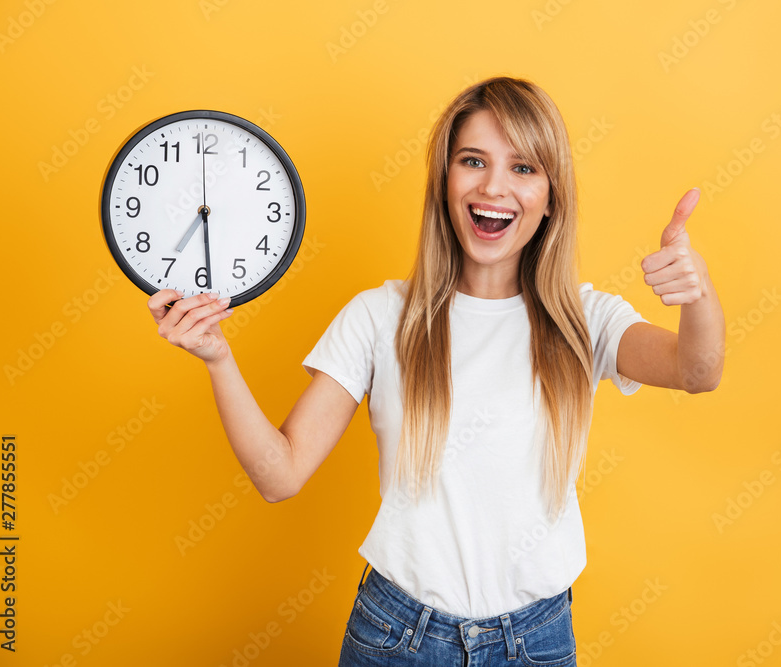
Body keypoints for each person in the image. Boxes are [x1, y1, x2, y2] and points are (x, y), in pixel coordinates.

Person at [147, 76, 724, 666]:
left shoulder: (584, 319)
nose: (493, 186)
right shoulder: (379, 316)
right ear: (445, 181)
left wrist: (696, 293)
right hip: (397, 637)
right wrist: (218, 358)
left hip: (538, 640)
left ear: (552, 196)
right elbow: (281, 475)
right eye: (473, 161)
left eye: (523, 168)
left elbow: (697, 369)